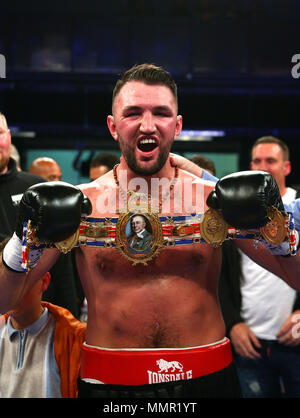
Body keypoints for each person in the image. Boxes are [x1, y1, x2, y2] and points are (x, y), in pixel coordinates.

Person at [1, 64, 300, 399]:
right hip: (110, 382)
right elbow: (5, 299)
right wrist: (20, 240)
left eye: (160, 112)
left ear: (177, 124)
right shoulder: (81, 205)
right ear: (113, 126)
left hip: (207, 378)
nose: (147, 125)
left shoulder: (213, 202)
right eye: (133, 113)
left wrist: (278, 225)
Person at [219, 136, 300, 398]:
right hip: (249, 342)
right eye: (257, 160)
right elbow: (220, 276)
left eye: (270, 161)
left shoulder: (298, 208)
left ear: (286, 167)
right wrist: (232, 324)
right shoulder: (233, 212)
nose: (263, 167)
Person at [0, 113, 81, 318]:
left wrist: (69, 317)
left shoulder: (35, 187)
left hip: (42, 320)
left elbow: (62, 262)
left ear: (9, 136)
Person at [0, 237, 86, 398]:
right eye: (7, 280)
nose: (13, 290)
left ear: (44, 282)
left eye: (22, 279)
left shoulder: (73, 338)